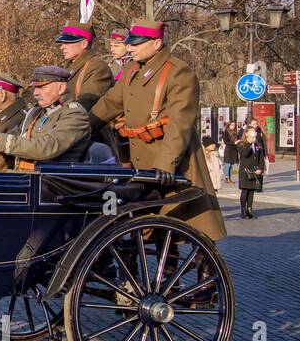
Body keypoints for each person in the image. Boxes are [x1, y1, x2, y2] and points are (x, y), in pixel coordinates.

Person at [88, 17, 225, 241]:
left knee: (185, 226)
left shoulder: (178, 72)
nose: (130, 47)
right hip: (140, 159)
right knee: (149, 228)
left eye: (137, 42)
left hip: (174, 160)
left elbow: (180, 123)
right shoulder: (133, 70)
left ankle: (203, 269)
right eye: (130, 42)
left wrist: (165, 165)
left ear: (156, 43)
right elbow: (108, 104)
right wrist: (79, 128)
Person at [0, 65, 92, 164]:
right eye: (35, 87)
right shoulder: (37, 112)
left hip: (53, 181)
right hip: (30, 177)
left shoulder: (75, 114)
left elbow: (48, 148)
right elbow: (16, 137)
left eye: (42, 87)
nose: (35, 93)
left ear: (61, 88)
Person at [55, 21, 114, 111]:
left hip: (84, 122)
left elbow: (87, 101)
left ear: (84, 44)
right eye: (62, 43)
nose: (62, 47)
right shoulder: (69, 66)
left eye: (67, 43)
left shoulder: (97, 66)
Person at [236, 126, 265, 219]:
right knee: (245, 190)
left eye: (254, 132)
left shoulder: (257, 145)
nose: (254, 134)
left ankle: (250, 209)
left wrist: (260, 169)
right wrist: (250, 143)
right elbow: (245, 153)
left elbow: (261, 158)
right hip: (245, 171)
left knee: (251, 191)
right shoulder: (241, 144)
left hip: (254, 170)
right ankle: (243, 210)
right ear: (246, 133)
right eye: (251, 132)